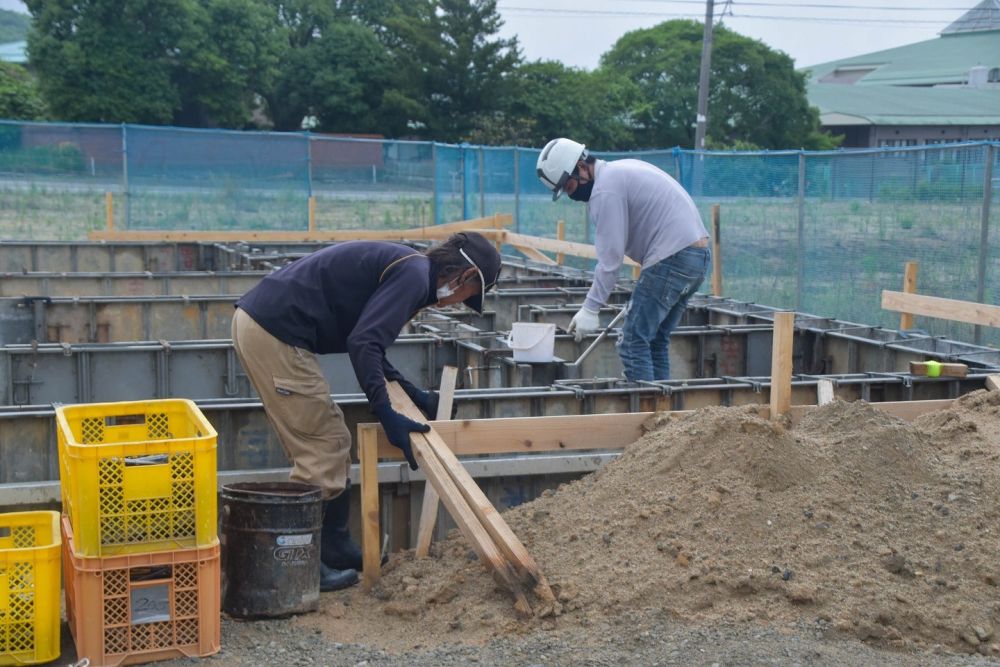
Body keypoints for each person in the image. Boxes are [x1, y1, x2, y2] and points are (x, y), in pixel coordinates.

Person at [231, 232, 502, 592]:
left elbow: (369, 343)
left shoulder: (412, 270)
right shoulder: (413, 276)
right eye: (468, 297)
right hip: (274, 332)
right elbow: (364, 343)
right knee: (322, 445)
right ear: (465, 276)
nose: (458, 304)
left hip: (269, 325)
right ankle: (303, 563)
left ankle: (335, 546)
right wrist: (387, 414)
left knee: (332, 438)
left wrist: (414, 395)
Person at [536, 138, 710, 382]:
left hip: (672, 258)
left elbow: (611, 259)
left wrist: (590, 307)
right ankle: (663, 413)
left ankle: (645, 414)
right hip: (697, 257)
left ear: (582, 166)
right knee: (655, 339)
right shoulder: (620, 171)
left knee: (632, 342)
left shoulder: (605, 190)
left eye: (570, 187)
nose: (570, 194)